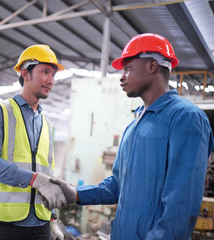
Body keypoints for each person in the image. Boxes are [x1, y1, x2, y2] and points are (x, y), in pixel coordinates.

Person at [47, 33, 214, 239]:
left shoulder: (185, 118)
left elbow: (182, 202)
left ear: (152, 66)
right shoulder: (135, 124)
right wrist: (77, 194)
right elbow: (118, 185)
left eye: (128, 68)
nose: (122, 76)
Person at [0, 44, 66, 240]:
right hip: (4, 224)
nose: (50, 80)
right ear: (25, 74)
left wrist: (52, 219)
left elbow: (47, 174)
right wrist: (33, 179)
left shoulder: (46, 124)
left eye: (53, 75)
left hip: (40, 225)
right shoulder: (0, 112)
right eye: (45, 72)